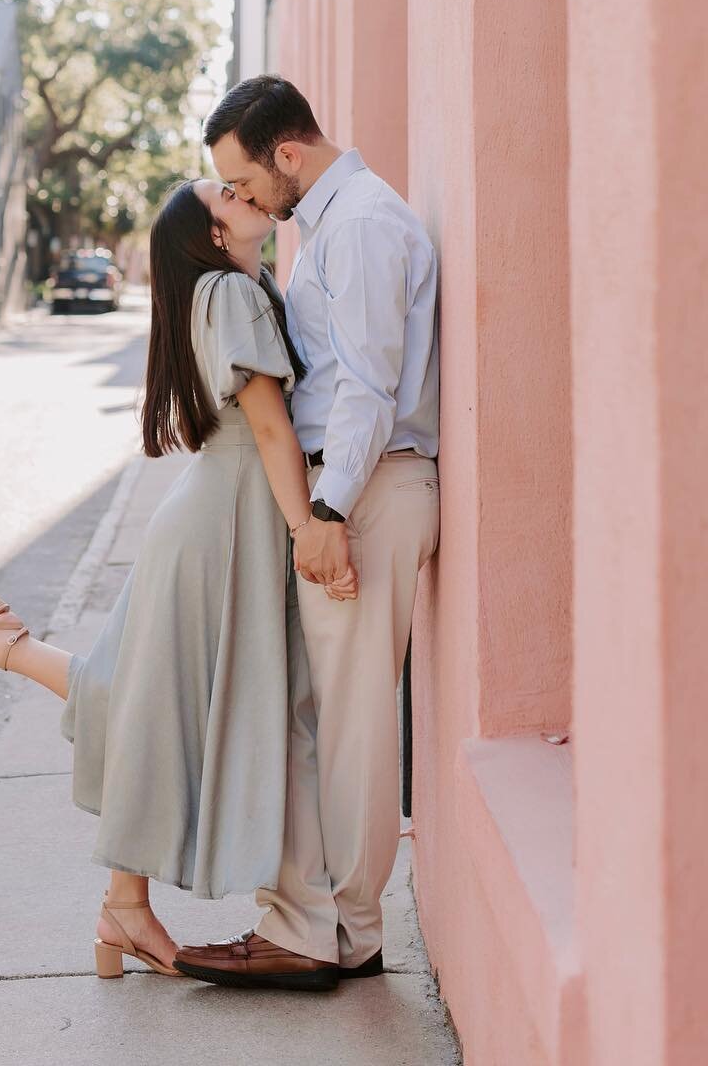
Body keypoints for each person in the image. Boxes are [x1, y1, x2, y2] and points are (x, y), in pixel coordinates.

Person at [0, 176, 350, 985]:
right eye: (223, 191)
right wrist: (308, 529)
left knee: (147, 701)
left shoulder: (238, 289)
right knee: (156, 707)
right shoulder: (232, 292)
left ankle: (8, 656)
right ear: (214, 234)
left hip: (217, 515)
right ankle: (8, 658)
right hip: (227, 522)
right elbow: (267, 427)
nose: (240, 188)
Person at [174, 75, 440, 990]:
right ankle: (327, 926)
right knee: (328, 715)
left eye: (244, 183)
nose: (242, 202)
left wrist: (327, 513)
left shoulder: (359, 225)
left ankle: (343, 933)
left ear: (289, 156)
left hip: (362, 493)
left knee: (354, 718)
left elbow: (368, 385)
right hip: (354, 490)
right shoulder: (332, 226)